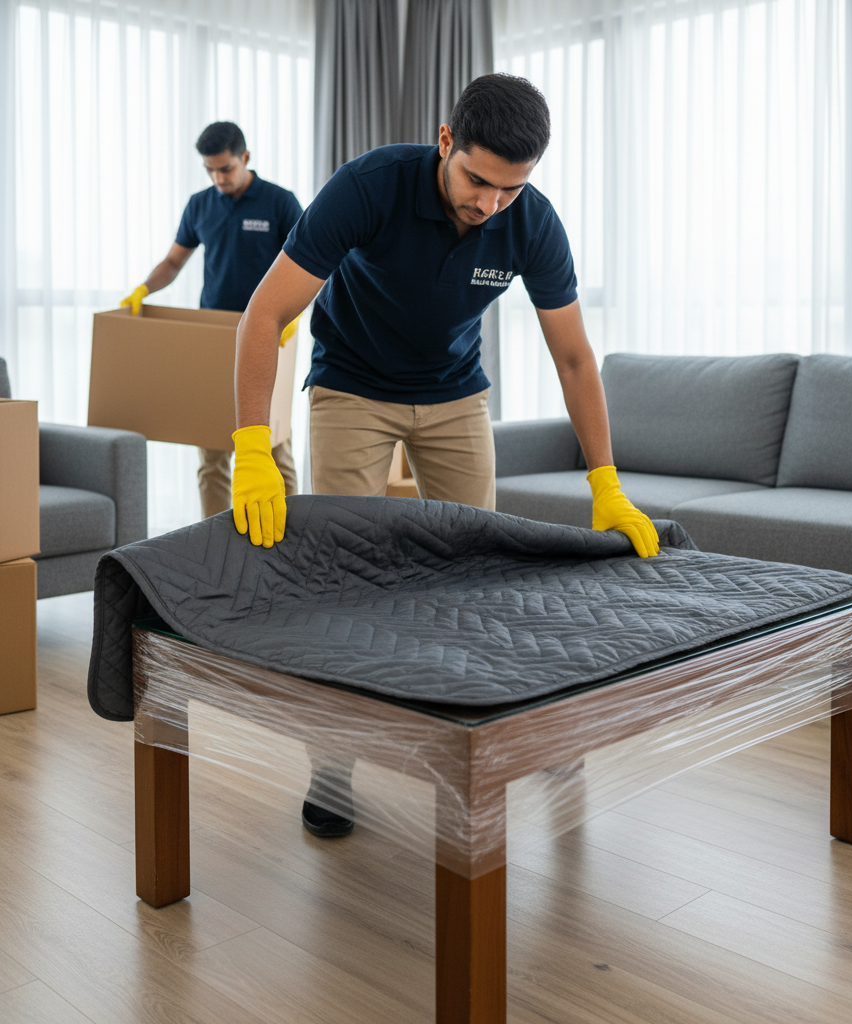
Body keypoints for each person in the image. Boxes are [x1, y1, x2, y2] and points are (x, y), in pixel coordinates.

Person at [230, 74, 660, 837]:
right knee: (341, 578)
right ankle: (334, 764)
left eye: (509, 189)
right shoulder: (370, 187)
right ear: (445, 142)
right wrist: (252, 448)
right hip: (352, 385)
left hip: (456, 394)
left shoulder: (532, 223)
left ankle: (504, 729)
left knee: (481, 575)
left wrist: (606, 483)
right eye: (477, 181)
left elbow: (574, 359)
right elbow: (265, 314)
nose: (490, 204)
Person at [120, 121, 302, 519]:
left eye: (226, 169)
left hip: (270, 335)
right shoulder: (199, 205)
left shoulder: (280, 203)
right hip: (216, 337)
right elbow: (173, 262)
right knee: (212, 453)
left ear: (245, 158)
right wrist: (143, 290)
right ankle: (216, 543)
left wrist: (294, 315)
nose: (218, 178)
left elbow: (309, 265)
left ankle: (292, 539)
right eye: (210, 170)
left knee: (273, 447)